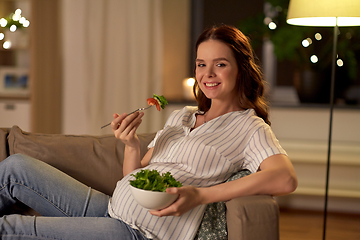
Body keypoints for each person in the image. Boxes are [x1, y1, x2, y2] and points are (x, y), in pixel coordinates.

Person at [0, 25, 297, 239]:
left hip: (140, 231)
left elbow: (285, 178)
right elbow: (139, 173)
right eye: (201, 64)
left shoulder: (249, 126)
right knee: (15, 167)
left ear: (241, 69)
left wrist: (201, 195)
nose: (207, 74)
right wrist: (130, 145)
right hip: (112, 208)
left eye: (220, 64)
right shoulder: (183, 116)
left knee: (11, 228)